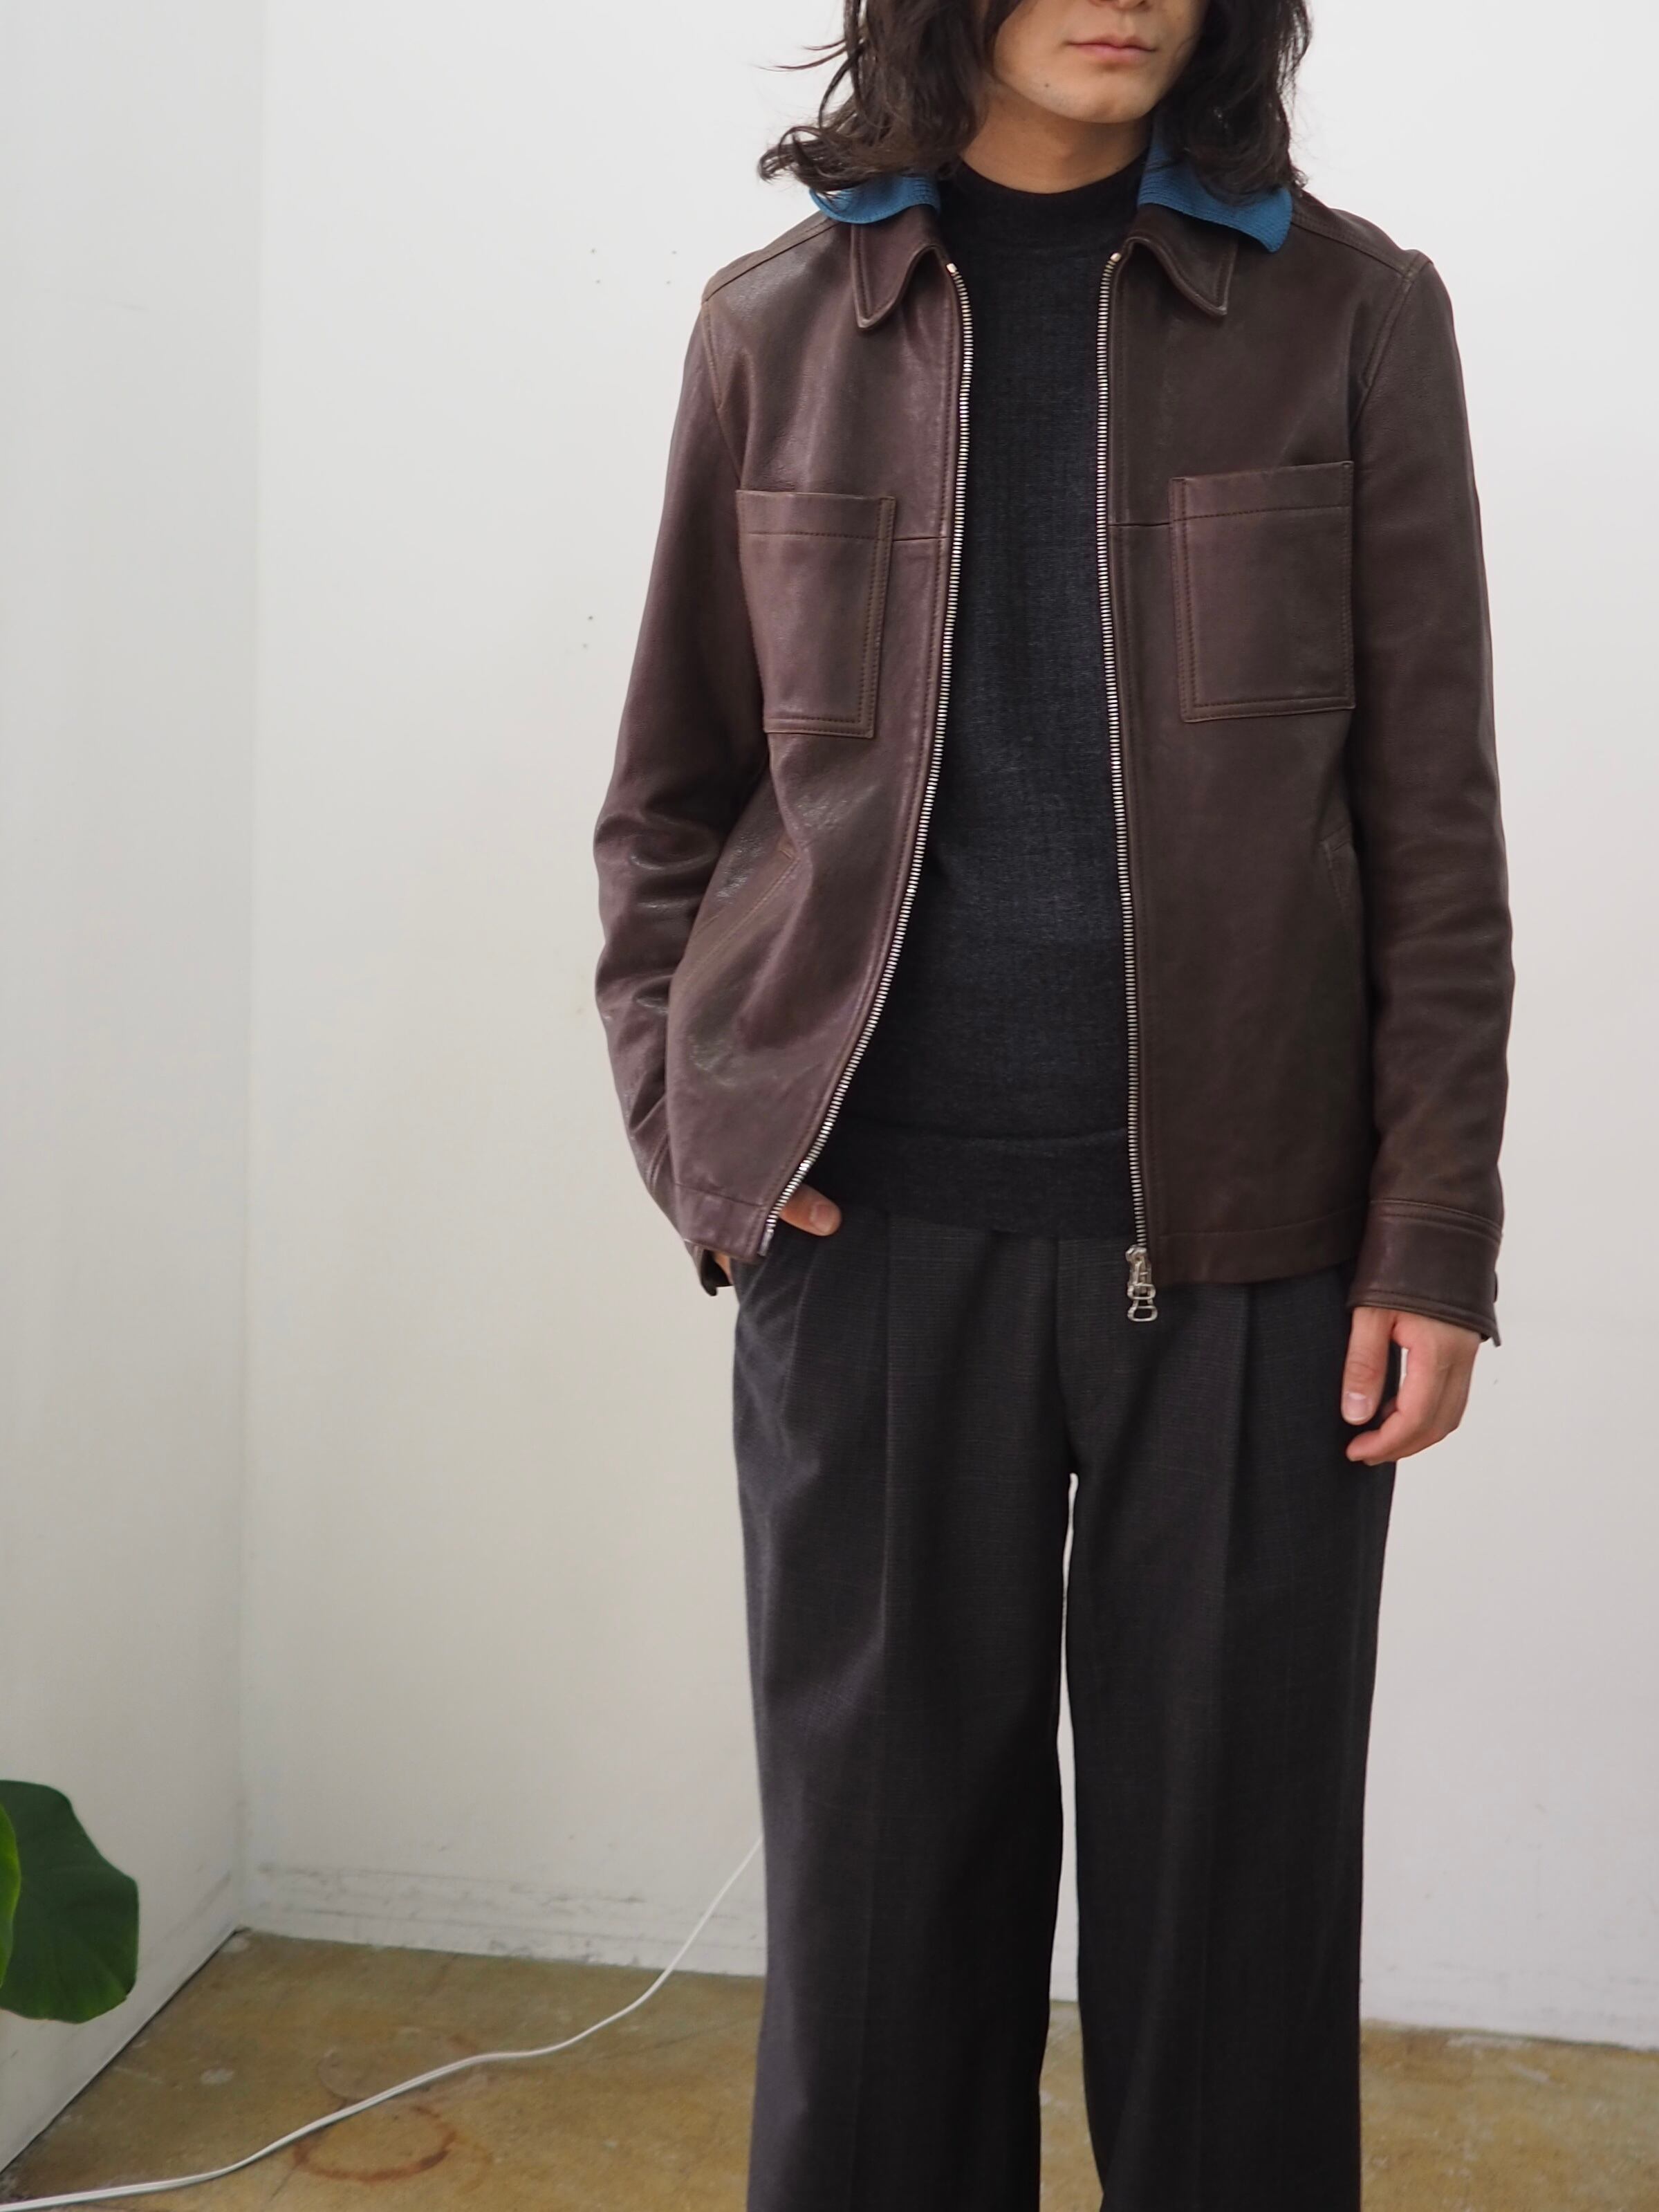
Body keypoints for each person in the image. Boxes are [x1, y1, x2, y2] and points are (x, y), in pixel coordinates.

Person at [592, 0, 1512, 2203]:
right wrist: (706, 1141)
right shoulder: (774, 328)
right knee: (882, 1949)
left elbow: (1433, 827)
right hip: (873, 1250)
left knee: (1232, 1950)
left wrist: (1430, 1233)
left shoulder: (1354, 316)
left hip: (1262, 1264)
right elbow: (670, 807)